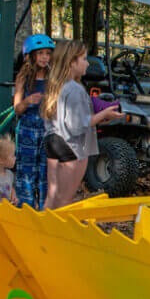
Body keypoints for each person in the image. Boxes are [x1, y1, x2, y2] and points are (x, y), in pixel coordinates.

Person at [42, 40, 122, 209]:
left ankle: (41, 229)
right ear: (72, 62)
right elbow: (77, 125)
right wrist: (104, 114)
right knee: (64, 201)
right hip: (72, 147)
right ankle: (56, 233)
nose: (87, 63)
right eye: (84, 59)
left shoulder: (56, 85)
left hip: (52, 142)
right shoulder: (75, 89)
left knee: (51, 196)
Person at [12, 33, 53, 210]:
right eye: (41, 53)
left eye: (48, 53)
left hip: (46, 128)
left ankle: (44, 210)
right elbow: (17, 109)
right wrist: (28, 101)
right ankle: (25, 208)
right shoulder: (23, 78)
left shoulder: (52, 78)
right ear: (31, 55)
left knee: (45, 172)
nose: (45, 57)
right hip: (28, 129)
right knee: (26, 172)